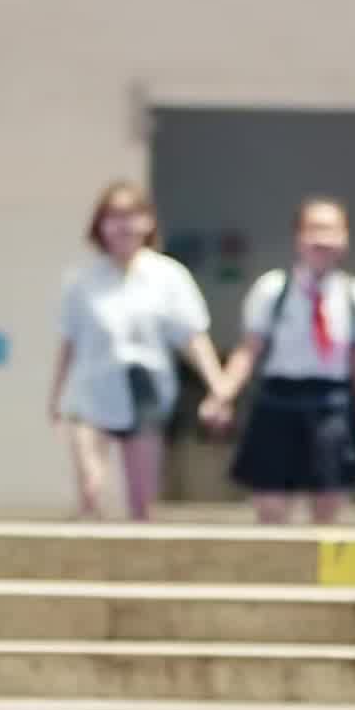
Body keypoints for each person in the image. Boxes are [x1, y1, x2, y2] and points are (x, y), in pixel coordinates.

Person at [47, 180, 228, 522]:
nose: (124, 226)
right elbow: (67, 343)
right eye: (114, 216)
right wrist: (55, 399)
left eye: (132, 216)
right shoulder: (81, 281)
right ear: (100, 225)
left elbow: (191, 337)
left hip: (145, 390)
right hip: (91, 389)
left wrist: (218, 387)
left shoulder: (168, 276)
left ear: (148, 222)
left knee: (142, 497)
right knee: (91, 487)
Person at [208, 197, 355, 526]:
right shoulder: (272, 290)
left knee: (329, 508)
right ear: (298, 238)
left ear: (345, 239)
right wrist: (222, 394)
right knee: (270, 507)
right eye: (314, 229)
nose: (322, 240)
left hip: (332, 403)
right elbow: (249, 350)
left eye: (331, 230)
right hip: (278, 399)